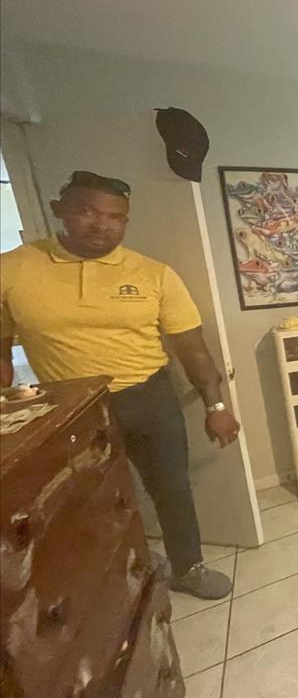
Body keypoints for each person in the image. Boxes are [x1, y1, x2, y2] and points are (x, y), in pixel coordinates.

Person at [1, 170, 240, 600]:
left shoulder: (153, 274)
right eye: (87, 211)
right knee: (87, 498)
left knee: (172, 488)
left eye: (115, 217)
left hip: (149, 398)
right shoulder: (13, 269)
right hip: (72, 409)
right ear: (59, 210)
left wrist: (216, 407)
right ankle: (113, 583)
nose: (101, 225)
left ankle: (188, 567)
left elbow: (193, 349)